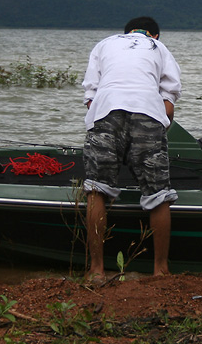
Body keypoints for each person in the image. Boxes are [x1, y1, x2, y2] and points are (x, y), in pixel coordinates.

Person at [81, 16, 182, 279]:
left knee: (97, 188)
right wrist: (157, 132)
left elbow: (91, 96)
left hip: (105, 110)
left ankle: (96, 270)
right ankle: (160, 271)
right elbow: (169, 99)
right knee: (159, 194)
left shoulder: (104, 44)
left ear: (124, 33)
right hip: (147, 110)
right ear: (155, 35)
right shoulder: (158, 48)